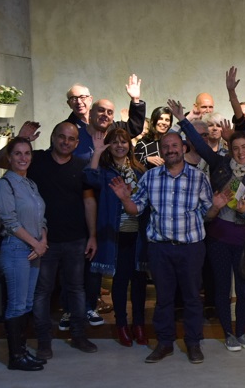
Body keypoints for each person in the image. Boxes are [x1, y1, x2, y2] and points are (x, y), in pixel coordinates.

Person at [169, 97, 245, 353]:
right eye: (235, 148)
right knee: (222, 288)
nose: (240, 152)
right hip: (219, 238)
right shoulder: (222, 165)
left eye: (244, 147)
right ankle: (228, 333)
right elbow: (202, 147)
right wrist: (182, 120)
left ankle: (242, 331)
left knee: (244, 290)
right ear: (230, 149)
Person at [110, 132, 223, 364]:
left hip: (191, 248)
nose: (170, 149)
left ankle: (193, 343)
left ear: (183, 148)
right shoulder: (150, 177)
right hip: (160, 249)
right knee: (163, 299)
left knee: (192, 298)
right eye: (166, 146)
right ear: (161, 151)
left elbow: (207, 215)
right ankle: (164, 343)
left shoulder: (198, 177)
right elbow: (136, 209)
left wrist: (217, 207)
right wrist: (125, 199)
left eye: (174, 145)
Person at [0, 122, 99, 359]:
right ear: (52, 137)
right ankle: (43, 342)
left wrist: (92, 235)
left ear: (77, 143)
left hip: (75, 239)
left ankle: (79, 335)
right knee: (41, 292)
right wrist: (18, 138)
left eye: (71, 139)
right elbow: (1, 162)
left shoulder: (81, 166)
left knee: (76, 289)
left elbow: (89, 201)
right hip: (41, 243)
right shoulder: (36, 160)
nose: (65, 142)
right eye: (61, 136)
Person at [84, 128, 148, 347]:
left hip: (138, 235)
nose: (120, 146)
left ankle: (139, 324)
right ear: (109, 146)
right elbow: (88, 180)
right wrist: (96, 153)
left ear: (130, 145)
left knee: (139, 282)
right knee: (120, 281)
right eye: (115, 142)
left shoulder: (139, 170)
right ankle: (121, 324)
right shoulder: (104, 171)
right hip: (115, 235)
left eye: (124, 142)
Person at [0, 137, 48, 371]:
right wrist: (35, 244)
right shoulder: (5, 184)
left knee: (26, 303)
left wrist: (43, 241)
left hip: (35, 249)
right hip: (17, 249)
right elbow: (10, 221)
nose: (23, 158)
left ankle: (23, 351)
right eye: (18, 153)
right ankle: (16, 357)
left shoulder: (31, 184)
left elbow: (41, 218)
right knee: (16, 304)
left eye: (27, 153)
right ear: (9, 157)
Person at [64, 75, 146, 161]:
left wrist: (135, 99)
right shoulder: (66, 129)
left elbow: (134, 127)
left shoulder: (111, 126)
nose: (79, 102)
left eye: (82, 97)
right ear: (69, 103)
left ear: (90, 99)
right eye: (74, 98)